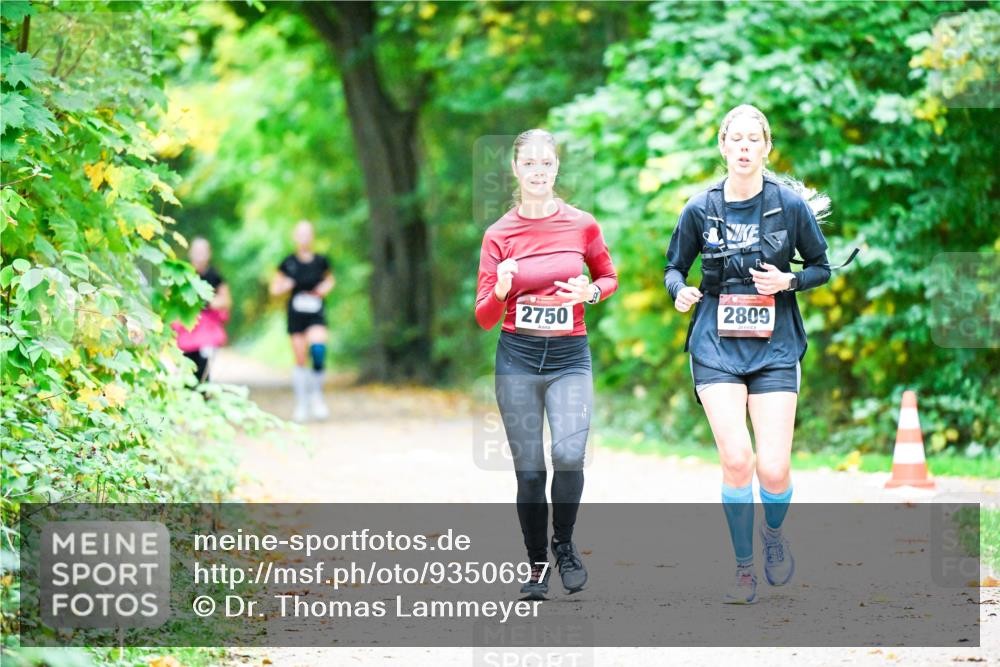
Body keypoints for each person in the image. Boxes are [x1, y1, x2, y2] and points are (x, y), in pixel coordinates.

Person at [663, 104, 832, 604]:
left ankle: (773, 537)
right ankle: (742, 567)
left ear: (766, 147)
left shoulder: (789, 205)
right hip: (715, 343)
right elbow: (674, 268)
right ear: (722, 146)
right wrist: (680, 292)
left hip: (776, 344)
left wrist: (790, 280)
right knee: (738, 459)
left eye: (752, 140)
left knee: (773, 468)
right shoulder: (699, 208)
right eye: (734, 139)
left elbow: (822, 267)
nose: (742, 147)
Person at [475, 129, 618, 600]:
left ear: (557, 168)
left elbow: (608, 276)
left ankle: (565, 544)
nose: (539, 171)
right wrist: (500, 289)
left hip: (569, 358)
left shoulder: (582, 225)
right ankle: (537, 563)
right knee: (531, 471)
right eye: (530, 163)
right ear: (515, 170)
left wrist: (591, 292)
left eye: (547, 163)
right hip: (517, 357)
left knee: (571, 454)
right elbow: (484, 317)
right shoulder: (499, 234)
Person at [270, 221, 336, 422]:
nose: (304, 237)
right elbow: (274, 288)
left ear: (312, 236)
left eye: (308, 233)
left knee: (318, 349)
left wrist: (325, 288)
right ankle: (302, 402)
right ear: (295, 237)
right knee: (300, 358)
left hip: (316, 311)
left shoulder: (321, 261)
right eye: (301, 234)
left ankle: (317, 396)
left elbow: (330, 280)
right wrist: (286, 286)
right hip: (296, 313)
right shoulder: (288, 262)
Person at [172, 237, 231, 383]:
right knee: (186, 370)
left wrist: (206, 302)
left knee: (205, 370)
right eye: (197, 251)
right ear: (190, 253)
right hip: (186, 329)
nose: (199, 255)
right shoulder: (182, 274)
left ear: (209, 253)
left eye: (203, 251)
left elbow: (226, 301)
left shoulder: (215, 276)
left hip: (207, 331)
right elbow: (172, 301)